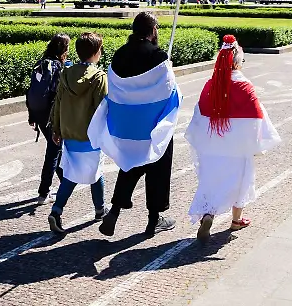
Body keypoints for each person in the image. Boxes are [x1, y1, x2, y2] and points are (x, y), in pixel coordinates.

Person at [92, 12, 181, 237]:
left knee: (130, 165)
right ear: (152, 31)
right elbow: (169, 90)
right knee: (158, 169)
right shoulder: (159, 57)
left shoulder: (119, 55)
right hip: (153, 124)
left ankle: (114, 212)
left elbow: (116, 89)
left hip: (127, 128)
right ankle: (154, 219)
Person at [186, 35, 281, 242]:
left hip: (211, 147)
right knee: (240, 183)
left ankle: (208, 216)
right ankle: (236, 220)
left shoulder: (211, 84)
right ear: (237, 62)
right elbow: (257, 118)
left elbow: (198, 118)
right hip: (237, 149)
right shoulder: (245, 87)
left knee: (210, 182)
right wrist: (255, 144)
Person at [48, 32, 110, 234]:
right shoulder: (99, 77)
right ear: (96, 53)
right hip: (90, 135)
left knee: (72, 174)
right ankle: (99, 209)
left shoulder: (66, 74)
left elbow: (58, 103)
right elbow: (102, 108)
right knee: (95, 171)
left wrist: (56, 128)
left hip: (69, 133)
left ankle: (57, 210)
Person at [26, 33, 70, 204]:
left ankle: (65, 182)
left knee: (56, 149)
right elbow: (59, 94)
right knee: (53, 151)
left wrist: (32, 115)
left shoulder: (40, 64)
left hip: (39, 113)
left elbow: (31, 91)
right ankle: (44, 192)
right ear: (63, 49)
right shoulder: (57, 67)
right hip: (52, 115)